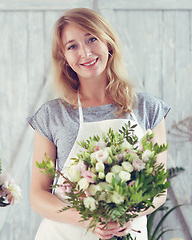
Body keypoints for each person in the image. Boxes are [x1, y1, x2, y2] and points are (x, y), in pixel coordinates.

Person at [28, 8, 170, 240]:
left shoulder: (148, 108)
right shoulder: (52, 115)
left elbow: (158, 189)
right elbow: (38, 194)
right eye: (72, 46)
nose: (85, 52)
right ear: (64, 57)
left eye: (92, 39)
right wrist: (88, 219)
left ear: (109, 44)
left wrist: (125, 215)